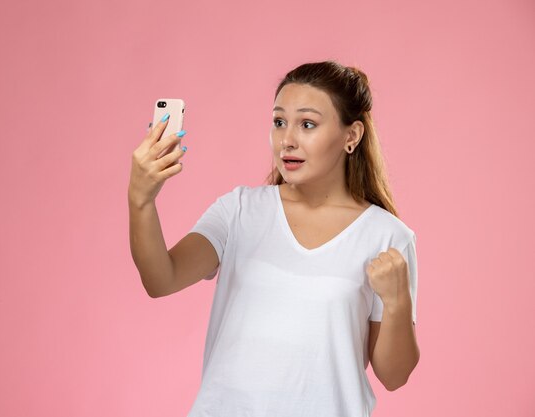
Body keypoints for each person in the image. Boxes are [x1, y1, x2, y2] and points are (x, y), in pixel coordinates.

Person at [128, 60, 420, 417]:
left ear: (351, 136)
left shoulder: (387, 236)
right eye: (279, 122)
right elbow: (162, 278)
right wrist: (140, 199)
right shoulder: (239, 210)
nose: (287, 140)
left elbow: (394, 376)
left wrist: (397, 302)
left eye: (307, 124)